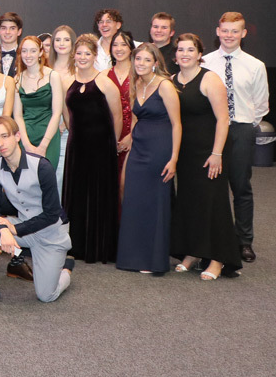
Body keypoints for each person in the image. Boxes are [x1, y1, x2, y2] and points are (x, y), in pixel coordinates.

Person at [0, 116, 75, 306]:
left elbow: (51, 214)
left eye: (5, 136)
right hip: (25, 229)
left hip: (51, 234)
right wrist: (3, 230)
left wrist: (13, 230)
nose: (0, 143)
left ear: (17, 136)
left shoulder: (41, 166)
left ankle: (66, 270)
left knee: (46, 295)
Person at [170, 34, 239, 279]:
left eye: (190, 50)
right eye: (180, 49)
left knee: (213, 202)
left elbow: (223, 119)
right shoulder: (172, 80)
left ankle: (217, 259)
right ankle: (193, 252)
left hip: (211, 151)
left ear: (200, 54)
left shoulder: (210, 79)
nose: (185, 54)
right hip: (186, 153)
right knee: (189, 201)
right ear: (175, 55)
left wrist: (217, 153)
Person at [202, 12, 268, 263]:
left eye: (235, 31)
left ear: (243, 33)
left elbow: (261, 104)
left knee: (241, 186)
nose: (229, 35)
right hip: (211, 130)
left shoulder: (255, 65)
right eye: (225, 30)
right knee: (210, 186)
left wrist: (245, 125)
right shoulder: (205, 62)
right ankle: (212, 239)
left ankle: (244, 241)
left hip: (241, 129)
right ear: (217, 31)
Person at [117, 44, 181, 274]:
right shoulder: (136, 84)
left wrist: (174, 159)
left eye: (146, 60)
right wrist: (129, 138)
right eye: (138, 59)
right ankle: (133, 257)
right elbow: (136, 118)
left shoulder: (165, 86)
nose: (141, 64)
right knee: (134, 199)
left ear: (155, 63)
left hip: (160, 148)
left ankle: (153, 261)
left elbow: (177, 124)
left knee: (155, 203)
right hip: (139, 147)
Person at [63, 34, 123, 264]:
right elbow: (68, 115)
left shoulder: (105, 83)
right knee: (77, 195)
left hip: (101, 149)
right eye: (79, 53)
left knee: (99, 196)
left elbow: (117, 117)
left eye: (87, 53)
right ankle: (77, 246)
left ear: (94, 56)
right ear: (74, 55)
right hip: (77, 148)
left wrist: (112, 145)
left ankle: (99, 248)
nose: (82, 57)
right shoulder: (69, 82)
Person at [13, 35, 64, 167]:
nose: (28, 55)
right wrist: (26, 144)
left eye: (33, 51)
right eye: (24, 51)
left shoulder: (53, 76)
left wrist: (44, 145)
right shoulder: (17, 79)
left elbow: (57, 113)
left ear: (41, 52)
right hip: (26, 135)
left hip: (49, 136)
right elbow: (17, 115)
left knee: (46, 175)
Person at [50, 24, 78, 187]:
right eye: (58, 39)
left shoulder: (80, 68)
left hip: (71, 128)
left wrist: (64, 124)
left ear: (73, 43)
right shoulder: (45, 67)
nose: (61, 43)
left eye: (66, 40)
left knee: (66, 174)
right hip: (48, 127)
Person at [106, 30, 135, 182]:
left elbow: (144, 110)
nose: (119, 49)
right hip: (109, 135)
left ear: (131, 48)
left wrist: (132, 136)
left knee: (129, 182)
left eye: (123, 44)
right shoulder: (104, 75)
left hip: (134, 135)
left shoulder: (139, 74)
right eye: (115, 45)